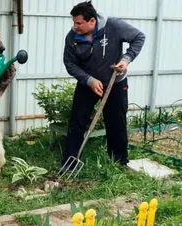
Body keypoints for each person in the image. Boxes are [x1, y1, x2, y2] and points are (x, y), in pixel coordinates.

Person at [62, 1, 145, 168]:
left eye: (79, 23)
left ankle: (119, 162)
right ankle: (69, 163)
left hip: (115, 82)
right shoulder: (72, 37)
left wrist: (126, 59)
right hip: (88, 84)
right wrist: (89, 80)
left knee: (117, 122)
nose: (75, 26)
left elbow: (139, 37)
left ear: (92, 21)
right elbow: (70, 63)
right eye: (74, 22)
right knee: (77, 121)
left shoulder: (113, 26)